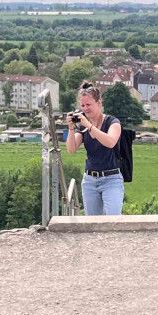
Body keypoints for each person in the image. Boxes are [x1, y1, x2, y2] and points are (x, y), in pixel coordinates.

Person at [65, 81, 123, 216]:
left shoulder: (112, 122)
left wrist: (90, 126)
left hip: (111, 179)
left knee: (113, 220)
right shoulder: (82, 126)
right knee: (92, 223)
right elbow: (71, 149)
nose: (85, 108)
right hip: (90, 180)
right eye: (83, 105)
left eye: (88, 104)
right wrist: (71, 128)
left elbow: (110, 142)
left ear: (99, 103)